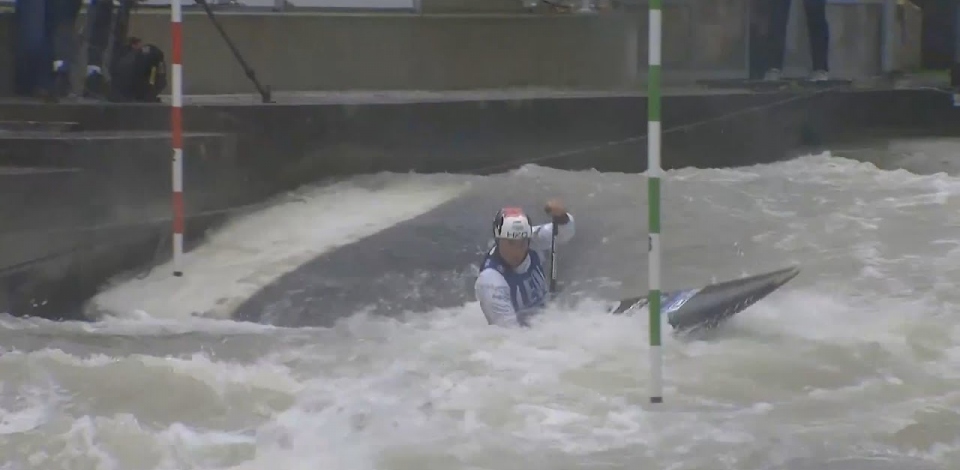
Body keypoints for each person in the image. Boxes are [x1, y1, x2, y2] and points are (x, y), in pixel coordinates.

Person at [474, 200, 575, 327]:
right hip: (525, 329)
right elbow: (510, 336)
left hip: (545, 316)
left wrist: (561, 216)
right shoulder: (491, 282)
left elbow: (563, 232)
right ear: (498, 240)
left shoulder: (532, 241)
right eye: (510, 243)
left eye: (522, 243)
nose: (517, 250)